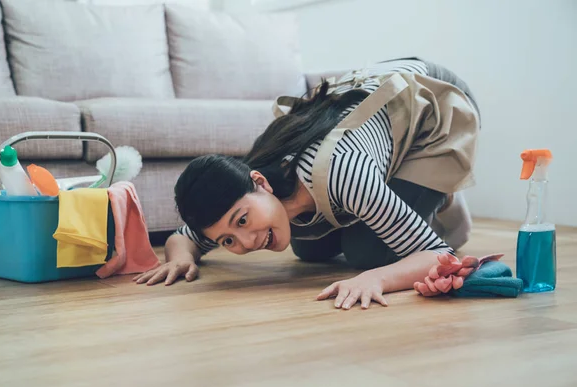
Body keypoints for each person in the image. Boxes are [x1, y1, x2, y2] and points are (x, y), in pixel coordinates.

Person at [134, 57, 480, 310]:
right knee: (310, 249)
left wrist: (375, 279)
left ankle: (440, 198)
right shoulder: (240, 188)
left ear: (260, 183)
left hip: (431, 102)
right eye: (228, 240)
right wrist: (180, 258)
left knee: (368, 255)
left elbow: (437, 255)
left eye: (242, 221)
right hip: (365, 120)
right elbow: (184, 236)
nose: (247, 241)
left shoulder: (345, 174)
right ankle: (392, 201)